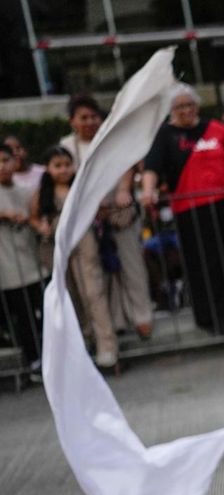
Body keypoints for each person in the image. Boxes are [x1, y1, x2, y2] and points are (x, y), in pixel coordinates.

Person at [142, 84, 224, 336]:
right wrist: (149, 190)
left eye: (189, 105)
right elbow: (152, 166)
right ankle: (210, 315)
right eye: (179, 106)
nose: (186, 110)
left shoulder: (212, 127)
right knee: (201, 261)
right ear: (172, 110)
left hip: (219, 201)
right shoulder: (166, 134)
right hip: (188, 207)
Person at [61, 94, 154, 345]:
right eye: (84, 117)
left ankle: (142, 316)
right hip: (88, 218)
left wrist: (123, 190)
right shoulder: (67, 147)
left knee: (131, 264)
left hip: (119, 210)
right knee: (102, 273)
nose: (90, 121)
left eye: (93, 116)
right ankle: (115, 322)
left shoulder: (112, 138)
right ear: (72, 121)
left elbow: (128, 165)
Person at [30, 146, 110, 368]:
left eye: (67, 164)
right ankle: (84, 341)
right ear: (48, 169)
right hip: (57, 246)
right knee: (70, 295)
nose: (64, 170)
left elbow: (101, 209)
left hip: (84, 239)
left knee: (92, 292)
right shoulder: (43, 192)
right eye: (58, 166)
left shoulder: (81, 187)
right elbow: (34, 216)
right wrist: (42, 227)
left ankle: (106, 345)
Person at [0, 142, 44, 381]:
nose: (3, 167)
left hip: (33, 264)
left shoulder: (26, 189)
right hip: (8, 271)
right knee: (22, 318)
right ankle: (33, 360)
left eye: (6, 160)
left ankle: (49, 356)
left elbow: (36, 215)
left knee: (43, 313)